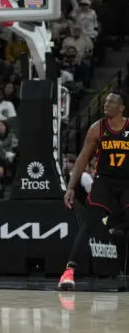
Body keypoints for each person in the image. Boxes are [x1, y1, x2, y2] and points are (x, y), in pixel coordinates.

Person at [59, 92, 129, 290]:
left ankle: (119, 244)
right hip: (104, 183)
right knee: (88, 224)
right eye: (105, 101)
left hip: (127, 183)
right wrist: (71, 187)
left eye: (112, 102)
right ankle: (68, 272)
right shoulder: (96, 128)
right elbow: (82, 158)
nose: (106, 104)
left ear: (122, 108)